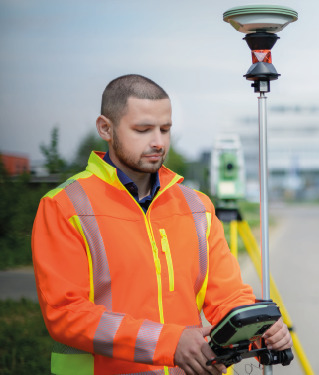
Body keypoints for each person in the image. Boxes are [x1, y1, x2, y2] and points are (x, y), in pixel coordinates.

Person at [31, 74, 292, 375]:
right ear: (105, 128)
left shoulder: (197, 207)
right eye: (142, 130)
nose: (158, 142)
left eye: (165, 129)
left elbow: (227, 296)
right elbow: (67, 314)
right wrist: (169, 343)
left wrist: (258, 329)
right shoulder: (65, 206)